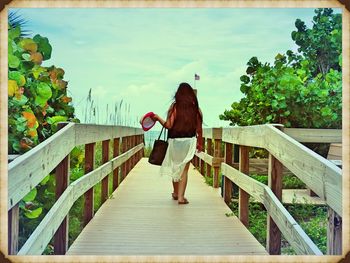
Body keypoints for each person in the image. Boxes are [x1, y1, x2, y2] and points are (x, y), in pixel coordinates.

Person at [151, 82, 203, 205]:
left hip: (175, 142)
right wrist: (200, 143)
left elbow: (169, 125)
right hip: (189, 141)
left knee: (175, 167)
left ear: (178, 94)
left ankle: (175, 192)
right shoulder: (196, 109)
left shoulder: (174, 107)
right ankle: (181, 197)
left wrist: (158, 118)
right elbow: (199, 129)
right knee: (184, 170)